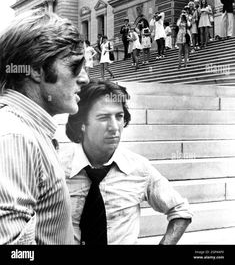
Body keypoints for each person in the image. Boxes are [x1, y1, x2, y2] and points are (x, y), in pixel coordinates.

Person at [62, 80, 193, 245]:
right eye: (103, 117)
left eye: (119, 116)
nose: (114, 127)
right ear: (81, 123)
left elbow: (181, 211)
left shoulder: (138, 168)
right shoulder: (56, 167)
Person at [0, 8, 89, 245]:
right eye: (75, 66)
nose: (84, 78)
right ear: (35, 70)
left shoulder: (24, 130)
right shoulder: (16, 136)